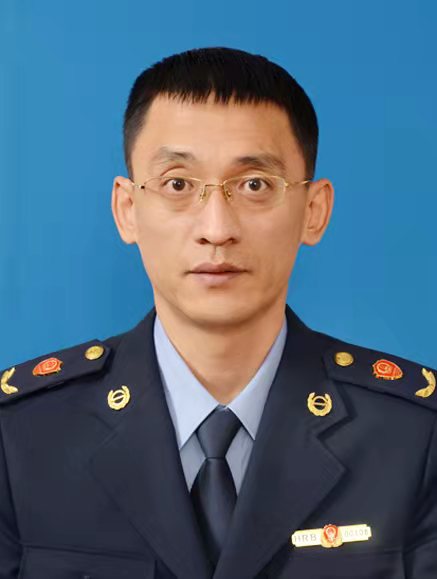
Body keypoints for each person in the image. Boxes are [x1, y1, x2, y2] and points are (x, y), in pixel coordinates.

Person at [0, 47, 436, 579]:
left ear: (314, 211)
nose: (216, 228)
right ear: (128, 209)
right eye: (178, 184)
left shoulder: (414, 439)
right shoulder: (21, 438)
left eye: (255, 185)